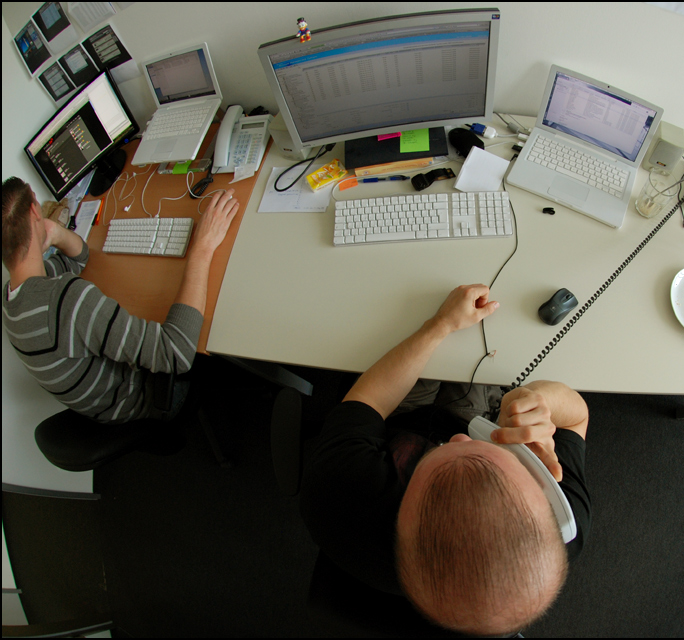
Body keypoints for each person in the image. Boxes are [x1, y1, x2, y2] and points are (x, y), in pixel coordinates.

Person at [299, 283, 591, 636]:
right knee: (482, 366)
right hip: (487, 420)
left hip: (394, 421)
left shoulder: (344, 491)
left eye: (435, 456)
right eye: (511, 467)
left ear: (399, 514)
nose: (459, 437)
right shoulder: (561, 528)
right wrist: (536, 400)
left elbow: (371, 400)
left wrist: (439, 325)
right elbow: (576, 417)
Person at [1, 176, 239, 424]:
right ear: (33, 211)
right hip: (144, 399)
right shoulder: (67, 301)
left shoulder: (15, 297)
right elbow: (176, 353)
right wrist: (203, 245)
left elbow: (78, 258)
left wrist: (55, 233)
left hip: (101, 404)